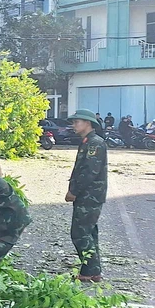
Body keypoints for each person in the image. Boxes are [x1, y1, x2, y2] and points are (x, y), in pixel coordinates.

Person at [65, 109, 108, 283]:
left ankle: (91, 270)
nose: (74, 125)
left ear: (88, 123)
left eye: (77, 122)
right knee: (89, 232)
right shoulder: (87, 142)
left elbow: (89, 172)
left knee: (80, 233)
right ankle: (91, 271)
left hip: (89, 196)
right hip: (89, 195)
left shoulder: (94, 144)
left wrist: (73, 191)